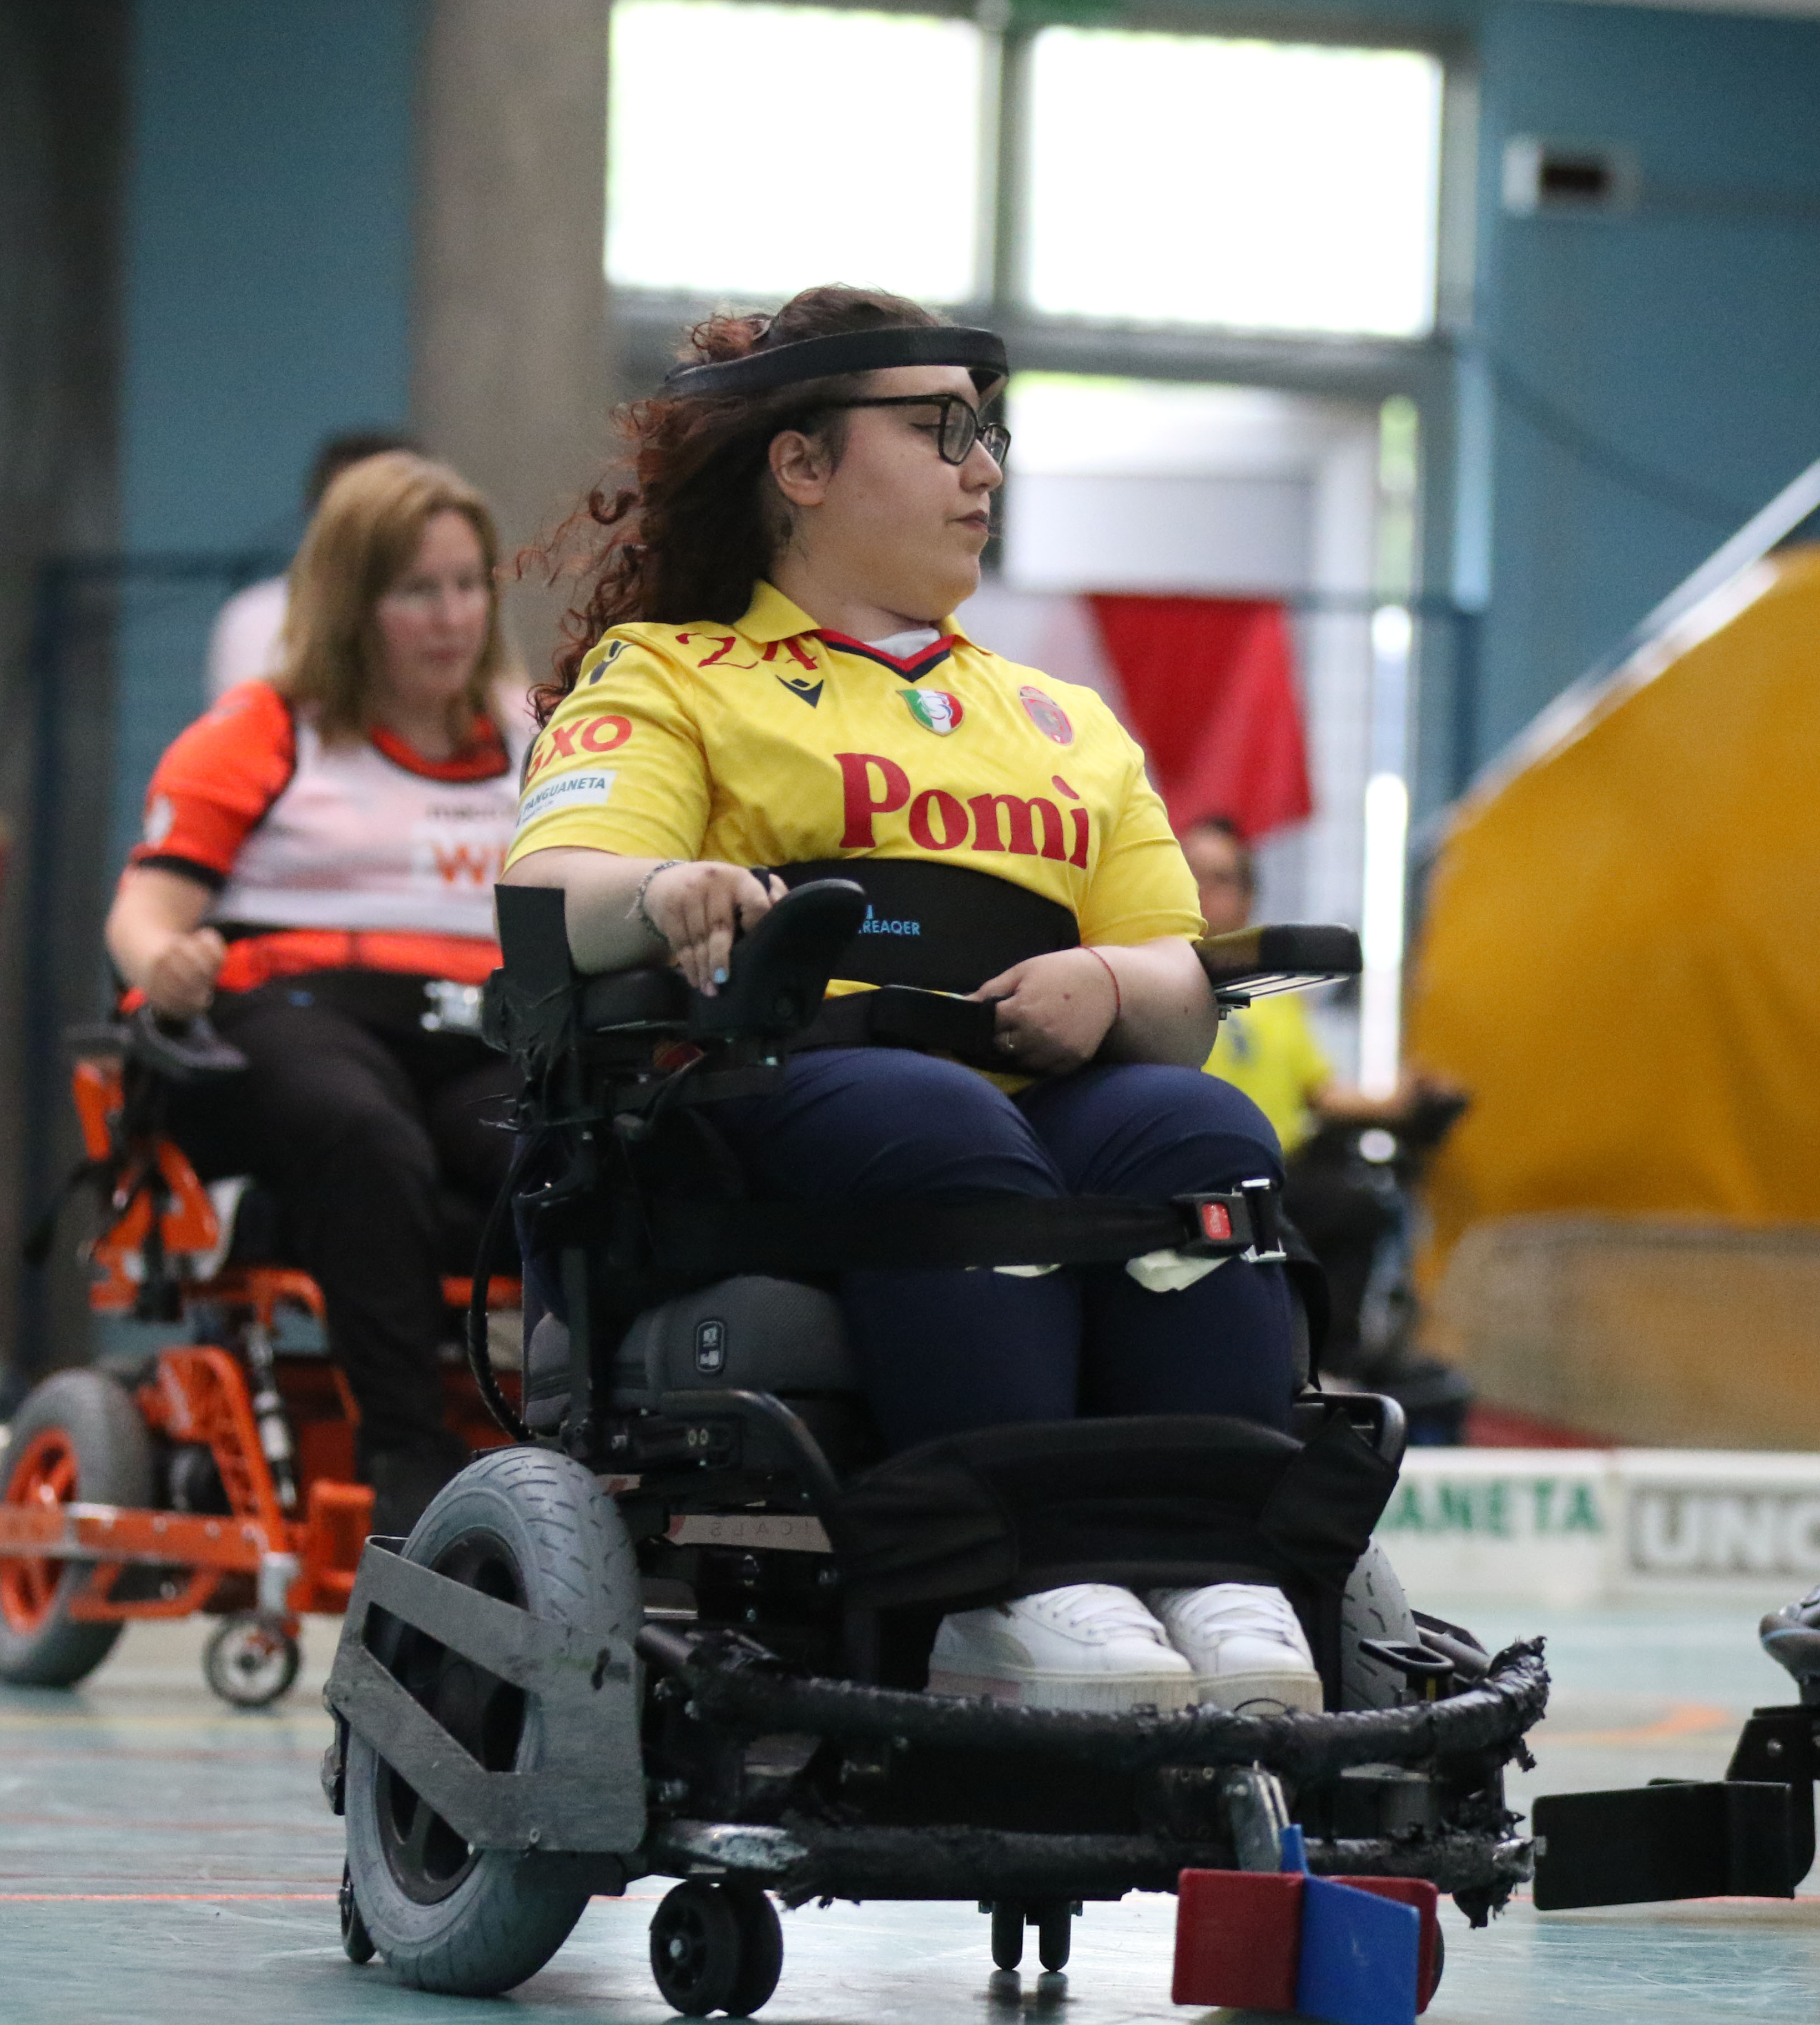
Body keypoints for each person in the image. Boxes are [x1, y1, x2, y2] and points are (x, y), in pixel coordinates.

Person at [505, 285, 1318, 1716]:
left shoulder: (1063, 721)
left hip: (1027, 1107)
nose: (983, 467)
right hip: (774, 1113)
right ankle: (999, 1585)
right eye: (939, 430)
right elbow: (555, 885)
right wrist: (664, 891)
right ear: (801, 467)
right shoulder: (675, 678)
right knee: (934, 1120)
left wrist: (1106, 979)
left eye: (988, 431)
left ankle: (1207, 1568)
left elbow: (1178, 992)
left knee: (1196, 1132)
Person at [109, 450, 519, 1535]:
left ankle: (572, 1449)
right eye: (416, 592)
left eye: (469, 585)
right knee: (360, 1131)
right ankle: (406, 1457)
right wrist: (166, 963)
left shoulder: (536, 740)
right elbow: (142, 913)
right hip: (298, 1011)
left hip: (484, 1022)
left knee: (572, 1148)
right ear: (353, 602)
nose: (452, 617)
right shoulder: (265, 730)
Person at [1179, 815, 1465, 1386]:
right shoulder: (1151, 980)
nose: (1207, 893)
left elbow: (1324, 1093)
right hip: (1191, 1169)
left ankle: (1329, 1365)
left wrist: (1405, 1102)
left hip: (1278, 1172)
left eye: (1224, 879)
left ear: (1249, 896)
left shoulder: (1276, 995)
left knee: (1359, 1201)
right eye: (1193, 876)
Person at [206, 428, 425, 698]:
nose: (374, 531)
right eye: (356, 512)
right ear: (317, 516)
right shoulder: (259, 618)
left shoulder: (457, 615)